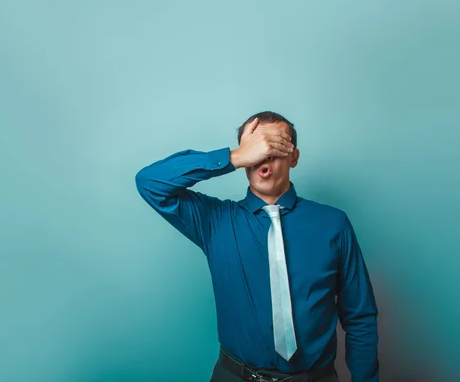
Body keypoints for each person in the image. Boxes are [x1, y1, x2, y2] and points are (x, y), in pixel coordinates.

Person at [135, 111, 379, 382]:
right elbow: (149, 182)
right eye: (256, 150)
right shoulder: (215, 221)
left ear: (294, 157)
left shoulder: (334, 224)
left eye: (274, 149)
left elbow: (360, 317)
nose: (264, 162)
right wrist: (234, 157)